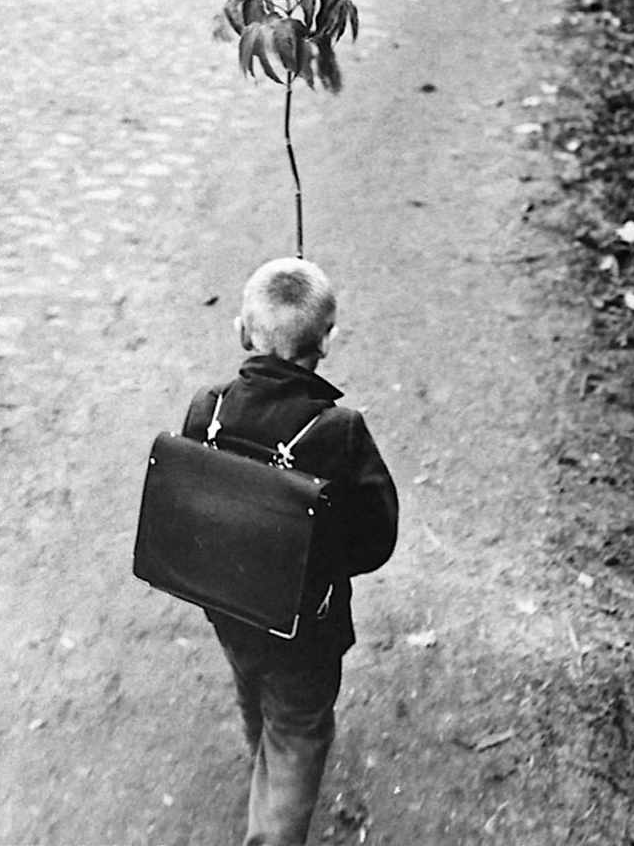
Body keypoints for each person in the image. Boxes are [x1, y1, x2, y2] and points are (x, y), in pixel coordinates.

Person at [181, 256, 399, 846]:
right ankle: (273, 806)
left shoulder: (209, 409)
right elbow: (376, 538)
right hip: (304, 627)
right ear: (327, 341)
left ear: (243, 333)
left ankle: (261, 751)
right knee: (300, 727)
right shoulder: (339, 433)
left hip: (230, 606)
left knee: (252, 683)